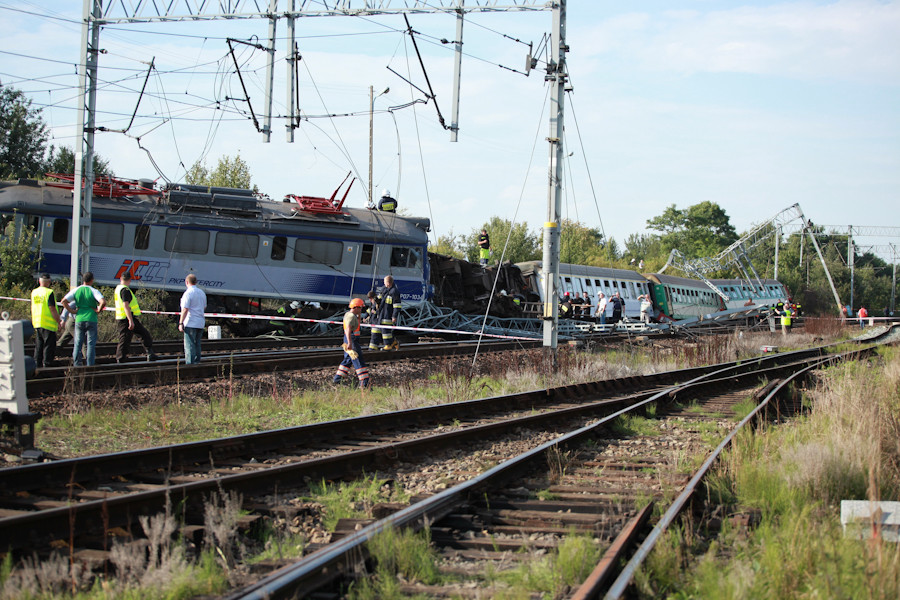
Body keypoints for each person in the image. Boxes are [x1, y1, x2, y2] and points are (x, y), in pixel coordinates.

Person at [61, 272, 106, 367]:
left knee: (77, 343)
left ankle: (77, 364)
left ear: (83, 280)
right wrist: (98, 310)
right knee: (90, 345)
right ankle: (90, 365)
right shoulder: (93, 291)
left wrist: (72, 311)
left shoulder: (76, 290)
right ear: (92, 280)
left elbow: (63, 301)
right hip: (91, 319)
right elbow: (103, 302)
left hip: (79, 319)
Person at [114, 272, 158, 363]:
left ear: (120, 278)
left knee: (141, 334)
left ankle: (150, 353)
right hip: (126, 318)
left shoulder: (118, 289)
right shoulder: (125, 290)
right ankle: (120, 358)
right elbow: (126, 305)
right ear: (130, 280)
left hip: (123, 317)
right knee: (127, 338)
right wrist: (130, 320)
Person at [333, 298, 370, 388]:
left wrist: (359, 316)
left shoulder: (349, 314)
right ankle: (364, 383)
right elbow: (348, 329)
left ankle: (337, 379)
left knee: (348, 360)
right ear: (356, 307)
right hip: (352, 340)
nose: (361, 310)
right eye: (360, 308)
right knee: (358, 360)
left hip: (349, 339)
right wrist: (350, 343)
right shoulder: (351, 316)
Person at [31, 273, 61, 369]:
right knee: (49, 345)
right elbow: (52, 308)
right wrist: (58, 321)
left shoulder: (34, 292)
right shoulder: (49, 292)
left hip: (37, 322)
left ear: (39, 281)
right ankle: (47, 364)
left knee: (39, 344)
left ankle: (37, 364)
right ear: (48, 282)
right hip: (48, 323)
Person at [178, 273, 207, 364]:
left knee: (189, 345)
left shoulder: (188, 293)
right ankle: (197, 362)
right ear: (196, 282)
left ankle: (190, 364)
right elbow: (204, 307)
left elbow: (185, 309)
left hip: (190, 322)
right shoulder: (202, 293)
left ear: (187, 282)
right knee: (197, 343)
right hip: (200, 322)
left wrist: (180, 322)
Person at [369, 275, 402, 351]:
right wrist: (374, 307)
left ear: (388, 283)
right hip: (380, 314)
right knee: (376, 330)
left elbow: (397, 305)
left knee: (385, 331)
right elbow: (378, 300)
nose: (383, 283)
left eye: (384, 282)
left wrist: (394, 316)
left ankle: (389, 344)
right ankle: (373, 347)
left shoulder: (394, 292)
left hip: (388, 314)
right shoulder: (384, 289)